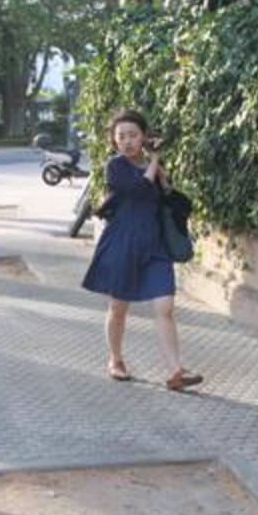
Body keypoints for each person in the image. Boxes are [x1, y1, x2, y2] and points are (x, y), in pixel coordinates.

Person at [82, 109, 204, 391]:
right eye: (121, 136)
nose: (127, 141)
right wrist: (156, 162)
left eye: (133, 135)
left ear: (144, 138)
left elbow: (167, 197)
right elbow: (138, 189)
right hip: (123, 245)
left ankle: (176, 371)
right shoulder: (115, 167)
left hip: (155, 246)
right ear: (114, 141)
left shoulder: (153, 166)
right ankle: (115, 359)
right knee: (118, 308)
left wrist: (164, 178)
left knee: (165, 307)